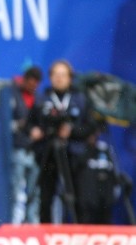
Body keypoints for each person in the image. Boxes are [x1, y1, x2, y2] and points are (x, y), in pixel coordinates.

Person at [28, 59, 92, 223]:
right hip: (48, 153)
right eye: (55, 75)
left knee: (77, 196)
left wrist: (70, 132)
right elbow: (30, 123)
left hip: (73, 154)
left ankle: (80, 235)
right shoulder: (42, 98)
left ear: (70, 77)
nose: (59, 78)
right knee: (46, 198)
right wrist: (34, 130)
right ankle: (45, 235)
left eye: (63, 75)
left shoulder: (80, 98)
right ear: (50, 77)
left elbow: (90, 127)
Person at [9, 65, 42, 224]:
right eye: (31, 82)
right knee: (16, 189)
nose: (33, 86)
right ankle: (15, 221)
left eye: (36, 83)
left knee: (34, 190)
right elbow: (7, 122)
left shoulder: (38, 98)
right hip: (19, 148)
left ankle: (32, 221)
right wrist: (21, 125)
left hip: (35, 150)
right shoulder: (13, 94)